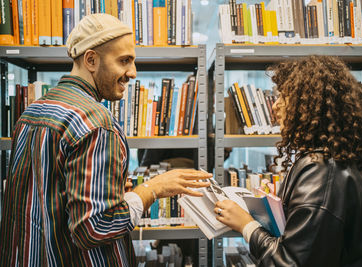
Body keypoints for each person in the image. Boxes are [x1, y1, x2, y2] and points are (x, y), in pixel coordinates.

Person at [0, 14, 211, 266]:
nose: (132, 73)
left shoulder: (32, 112)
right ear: (91, 60)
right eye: (124, 61)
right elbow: (96, 228)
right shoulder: (97, 122)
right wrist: (152, 189)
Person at [214, 55, 362, 266]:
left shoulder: (323, 173)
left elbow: (290, 262)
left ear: (310, 105)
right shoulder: (336, 160)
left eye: (284, 97)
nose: (275, 106)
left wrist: (246, 225)